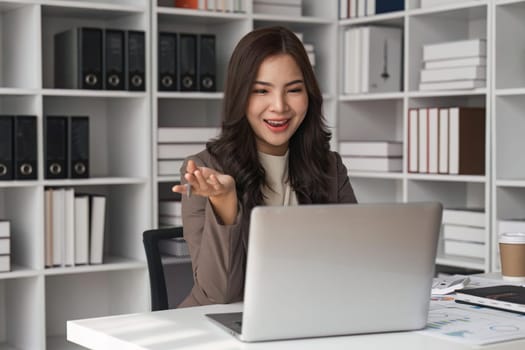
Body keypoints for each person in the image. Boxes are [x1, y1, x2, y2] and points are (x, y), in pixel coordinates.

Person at [172, 26, 357, 308]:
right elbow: (219, 295)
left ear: (310, 94)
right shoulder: (203, 169)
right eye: (261, 91)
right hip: (222, 329)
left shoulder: (329, 166)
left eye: (294, 90)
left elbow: (356, 263)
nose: (279, 106)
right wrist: (224, 202)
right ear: (240, 96)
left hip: (307, 319)